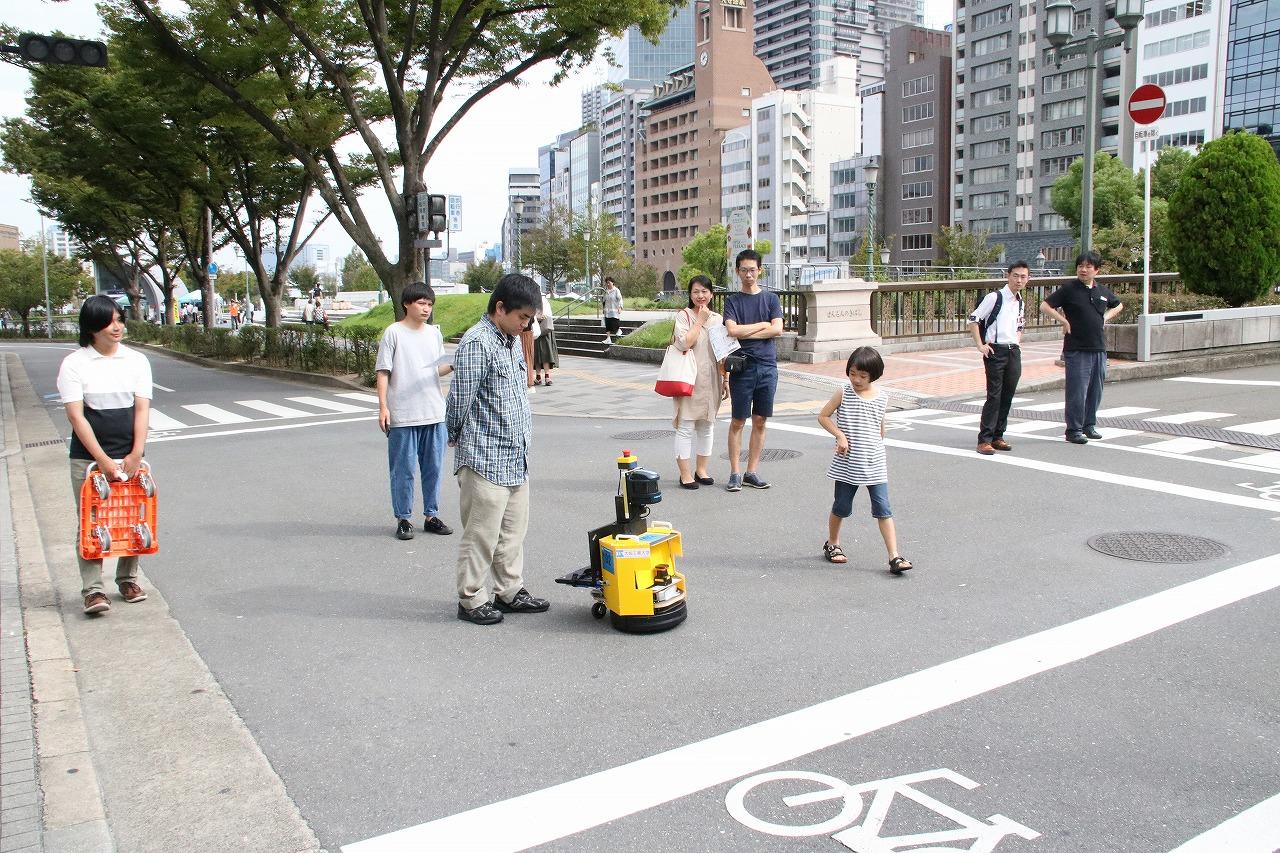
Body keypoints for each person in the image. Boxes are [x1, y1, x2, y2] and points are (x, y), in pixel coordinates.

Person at [446, 274, 551, 626]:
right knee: (481, 534)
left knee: (512, 532)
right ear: (500, 308)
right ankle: (471, 598)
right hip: (484, 457)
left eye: (530, 319)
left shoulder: (509, 340)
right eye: (522, 317)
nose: (527, 324)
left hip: (515, 456)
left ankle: (509, 590)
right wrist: (456, 437)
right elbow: (460, 399)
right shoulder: (478, 343)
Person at [56, 295, 154, 615]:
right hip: (88, 458)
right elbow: (76, 416)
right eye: (109, 321)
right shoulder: (75, 363)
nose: (117, 326)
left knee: (133, 517)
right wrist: (101, 459)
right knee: (91, 520)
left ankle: (127, 579)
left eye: (119, 319)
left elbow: (142, 409)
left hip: (129, 455)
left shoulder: (136, 360)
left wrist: (136, 452)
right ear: (92, 327)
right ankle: (93, 591)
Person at [816, 346, 913, 576]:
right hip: (847, 462)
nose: (856, 379)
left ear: (874, 375)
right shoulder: (844, 392)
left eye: (863, 376)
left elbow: (880, 428)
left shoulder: (882, 398)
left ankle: (894, 556)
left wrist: (875, 446)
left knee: (883, 509)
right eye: (852, 373)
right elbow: (823, 416)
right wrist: (840, 435)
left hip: (875, 463)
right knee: (841, 506)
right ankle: (832, 543)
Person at [376, 282, 454, 541]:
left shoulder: (434, 334)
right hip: (403, 414)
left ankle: (431, 515)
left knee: (433, 468)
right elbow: (383, 371)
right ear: (407, 304)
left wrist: (454, 364)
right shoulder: (393, 333)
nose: (426, 309)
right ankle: (404, 518)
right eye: (421, 303)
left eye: (430, 304)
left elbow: (436, 369)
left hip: (434, 412)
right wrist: (383, 407)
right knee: (403, 469)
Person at [1039, 250, 1123, 444]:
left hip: (1098, 347)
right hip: (1076, 347)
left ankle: (1089, 425)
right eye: (1080, 266)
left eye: (1088, 267)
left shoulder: (1101, 291)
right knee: (1077, 390)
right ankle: (1073, 429)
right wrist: (1063, 320)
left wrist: (1105, 317)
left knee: (1096, 389)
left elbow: (1118, 305)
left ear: (1096, 270)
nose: (1083, 270)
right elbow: (1045, 306)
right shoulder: (1070, 289)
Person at [723, 248, 783, 492]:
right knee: (738, 420)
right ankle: (735, 472)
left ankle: (752, 472)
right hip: (742, 367)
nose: (749, 274)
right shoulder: (733, 301)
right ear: (738, 272)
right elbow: (732, 331)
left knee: (760, 420)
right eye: (744, 270)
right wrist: (761, 325)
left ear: (760, 270)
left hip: (767, 366)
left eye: (753, 270)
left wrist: (747, 329)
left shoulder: (771, 299)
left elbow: (777, 329)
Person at [671, 275, 728, 489]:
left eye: (704, 291)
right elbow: (685, 342)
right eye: (696, 291)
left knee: (707, 425)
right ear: (690, 294)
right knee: (685, 426)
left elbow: (723, 352)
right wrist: (700, 320)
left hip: (712, 378)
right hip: (688, 378)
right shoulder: (683, 317)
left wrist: (726, 378)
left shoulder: (718, 318)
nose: (700, 295)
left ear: (711, 294)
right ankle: (685, 474)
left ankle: (701, 470)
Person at [969, 261, 1029, 455]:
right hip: (995, 350)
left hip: (1013, 350)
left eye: (1023, 277)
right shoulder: (995, 297)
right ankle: (984, 439)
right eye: (1016, 276)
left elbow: (1020, 326)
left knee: (1007, 395)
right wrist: (980, 345)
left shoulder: (1020, 301)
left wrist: (1017, 343)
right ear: (1008, 275)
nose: (1019, 280)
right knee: (994, 395)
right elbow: (973, 318)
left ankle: (998, 435)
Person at [533, 288, 559, 386]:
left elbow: (549, 314)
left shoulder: (544, 301)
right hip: (535, 329)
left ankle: (547, 376)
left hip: (544, 330)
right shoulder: (532, 300)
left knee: (546, 354)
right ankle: (538, 376)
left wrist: (542, 316)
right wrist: (536, 317)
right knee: (537, 355)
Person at [601, 276, 623, 345]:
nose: (607, 284)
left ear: (612, 282)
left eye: (609, 283)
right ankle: (608, 339)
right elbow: (604, 301)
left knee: (614, 322)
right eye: (606, 283)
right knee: (607, 325)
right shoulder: (606, 291)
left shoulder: (616, 290)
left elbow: (620, 299)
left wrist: (620, 307)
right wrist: (603, 309)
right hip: (607, 311)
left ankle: (619, 330)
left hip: (614, 310)